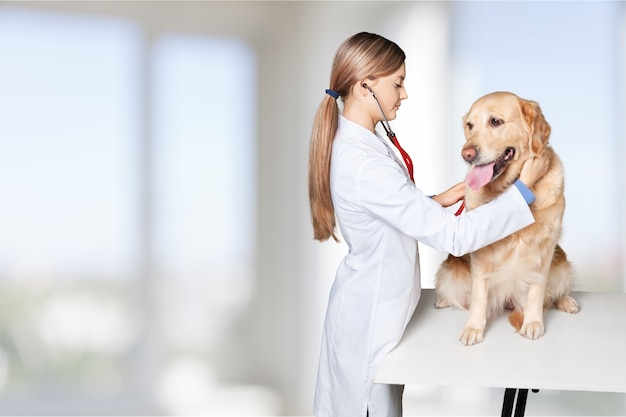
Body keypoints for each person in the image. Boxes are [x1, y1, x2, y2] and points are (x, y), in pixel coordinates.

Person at [308, 32, 549, 417]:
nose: (404, 94)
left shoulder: (364, 143)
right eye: (398, 83)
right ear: (365, 85)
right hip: (372, 321)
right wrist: (522, 191)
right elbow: (454, 236)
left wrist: (432, 202)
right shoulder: (362, 162)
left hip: (377, 301)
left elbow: (383, 209)